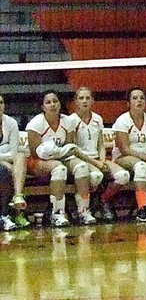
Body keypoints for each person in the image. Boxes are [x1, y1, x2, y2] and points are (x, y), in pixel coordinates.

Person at [68, 86, 130, 223]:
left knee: (123, 176)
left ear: (92, 101)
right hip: (82, 160)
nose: (84, 101)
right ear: (76, 101)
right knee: (96, 176)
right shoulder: (71, 120)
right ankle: (83, 207)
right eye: (81, 98)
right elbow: (73, 148)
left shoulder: (97, 119)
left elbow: (100, 144)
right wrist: (96, 164)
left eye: (87, 98)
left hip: (97, 158)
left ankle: (103, 200)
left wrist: (102, 161)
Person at [25, 91, 88, 227]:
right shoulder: (35, 123)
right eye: (48, 102)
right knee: (59, 169)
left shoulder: (68, 121)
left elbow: (70, 147)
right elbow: (34, 152)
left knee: (82, 167)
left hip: (61, 156)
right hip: (36, 161)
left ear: (60, 104)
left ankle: (84, 211)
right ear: (42, 107)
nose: (52, 105)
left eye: (55, 101)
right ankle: (57, 212)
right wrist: (54, 154)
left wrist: (59, 154)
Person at [112, 88, 146, 223]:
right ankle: (142, 208)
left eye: (142, 98)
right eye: (134, 98)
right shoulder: (122, 120)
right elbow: (125, 149)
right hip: (123, 157)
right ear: (128, 103)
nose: (139, 100)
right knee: (141, 166)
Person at [0, 94, 28, 230]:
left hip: (9, 161)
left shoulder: (11, 122)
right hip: (7, 163)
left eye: (1, 103)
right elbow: (10, 154)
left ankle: (17, 197)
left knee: (20, 155)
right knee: (7, 170)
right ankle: (12, 213)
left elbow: (14, 150)